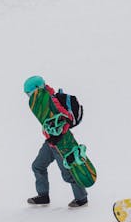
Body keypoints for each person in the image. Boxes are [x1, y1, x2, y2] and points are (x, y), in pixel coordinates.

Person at [24, 75, 88, 209]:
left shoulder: (52, 100)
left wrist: (58, 135)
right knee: (38, 166)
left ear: (36, 90)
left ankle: (81, 198)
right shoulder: (42, 102)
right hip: (50, 142)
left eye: (28, 93)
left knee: (68, 174)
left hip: (62, 143)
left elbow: (67, 118)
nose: (28, 96)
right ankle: (43, 196)